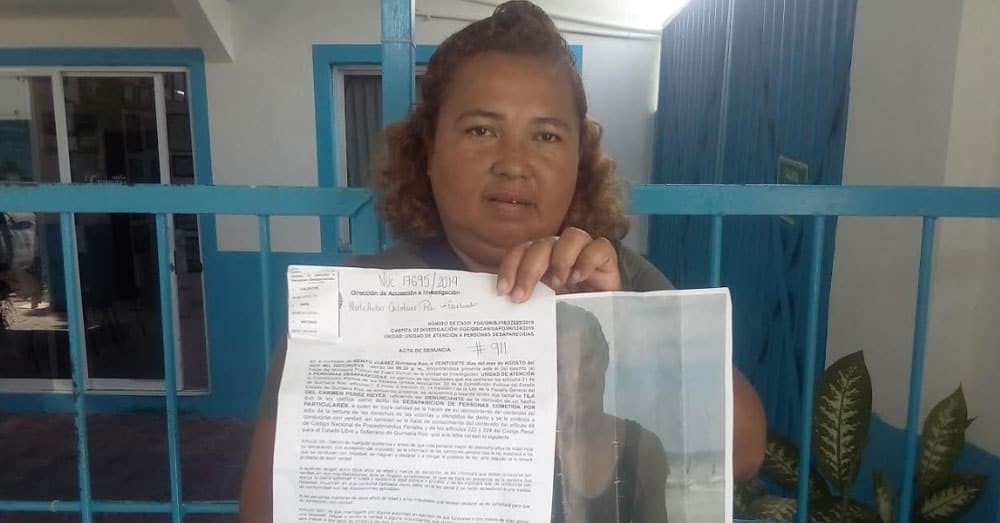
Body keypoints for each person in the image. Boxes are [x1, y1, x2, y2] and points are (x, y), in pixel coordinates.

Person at [239, 2, 766, 521]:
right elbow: (270, 508)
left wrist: (618, 317)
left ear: (578, 160)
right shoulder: (353, 305)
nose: (514, 164)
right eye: (481, 130)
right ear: (429, 149)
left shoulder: (616, 277)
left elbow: (743, 452)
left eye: (546, 136)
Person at [552, 301, 668, 523]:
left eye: (585, 358)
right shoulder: (527, 451)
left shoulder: (643, 448)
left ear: (604, 356)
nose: (575, 377)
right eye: (560, 366)